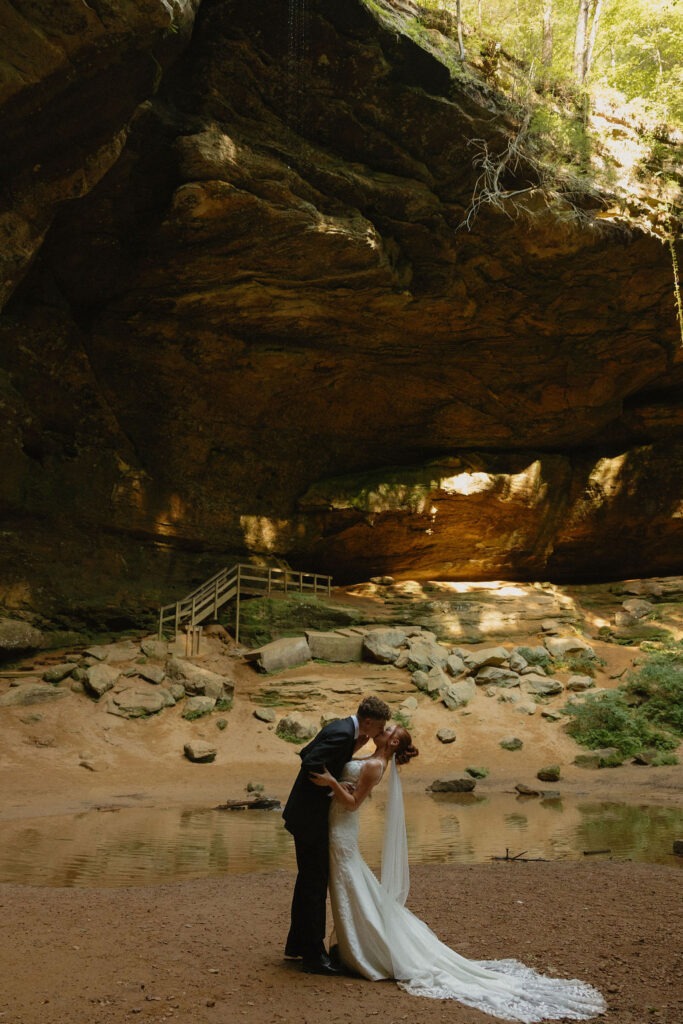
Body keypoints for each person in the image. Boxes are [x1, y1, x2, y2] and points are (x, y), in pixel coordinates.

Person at [310, 725, 607, 1023]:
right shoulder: (370, 757)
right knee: (352, 885)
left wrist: (332, 783)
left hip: (342, 829)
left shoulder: (376, 764)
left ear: (394, 741)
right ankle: (357, 945)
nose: (383, 729)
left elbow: (353, 804)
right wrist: (345, 772)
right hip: (338, 828)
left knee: (349, 884)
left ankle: (367, 950)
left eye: (388, 729)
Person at [282, 695, 391, 975]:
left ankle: (299, 945)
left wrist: (334, 778)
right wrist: (330, 784)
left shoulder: (343, 729)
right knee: (315, 885)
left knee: (309, 881)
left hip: (308, 816)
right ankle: (313, 955)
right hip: (310, 818)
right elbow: (310, 762)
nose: (380, 733)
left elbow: (307, 752)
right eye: (379, 727)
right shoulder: (344, 733)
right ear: (368, 722)